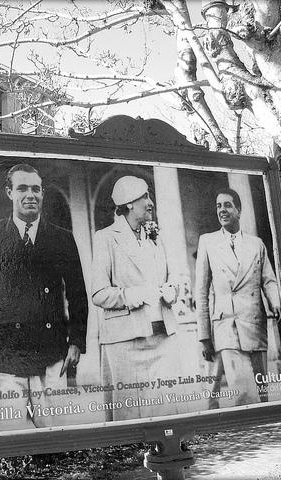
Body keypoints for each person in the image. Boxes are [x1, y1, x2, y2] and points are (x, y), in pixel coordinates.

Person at [0, 163, 88, 431]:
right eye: (22, 188)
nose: (30, 195)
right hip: (6, 356)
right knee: (11, 434)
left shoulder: (61, 238)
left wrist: (76, 341)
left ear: (42, 194)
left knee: (55, 433)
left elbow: (77, 292)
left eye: (36, 189)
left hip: (51, 355)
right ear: (9, 193)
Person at [91, 175, 180, 421]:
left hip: (162, 336)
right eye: (145, 197)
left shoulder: (156, 238)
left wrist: (172, 291)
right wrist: (133, 295)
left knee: (164, 408)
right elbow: (98, 294)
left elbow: (172, 278)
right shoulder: (106, 237)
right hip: (125, 340)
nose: (150, 202)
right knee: (128, 410)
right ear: (129, 203)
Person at [195, 187, 281, 406]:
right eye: (218, 206)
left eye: (227, 205)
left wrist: (276, 302)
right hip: (226, 325)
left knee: (263, 391)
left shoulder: (256, 244)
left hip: (254, 321)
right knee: (241, 389)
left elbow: (268, 280)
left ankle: (265, 431)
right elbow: (201, 291)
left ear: (239, 210)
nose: (222, 210)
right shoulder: (208, 242)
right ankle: (248, 430)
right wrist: (204, 335)